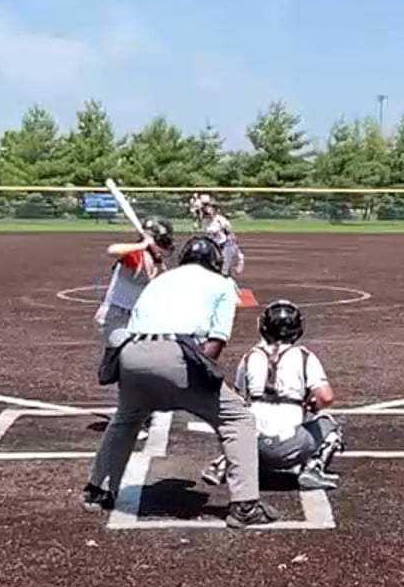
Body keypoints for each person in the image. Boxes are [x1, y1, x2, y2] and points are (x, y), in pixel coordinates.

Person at [82, 236, 275, 529]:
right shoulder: (222, 284)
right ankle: (246, 505)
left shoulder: (160, 280)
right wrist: (204, 385)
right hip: (176, 355)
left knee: (126, 419)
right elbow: (213, 346)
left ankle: (98, 491)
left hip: (130, 354)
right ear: (215, 262)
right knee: (237, 419)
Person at [201, 300, 345, 493]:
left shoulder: (250, 356)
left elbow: (237, 399)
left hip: (253, 446)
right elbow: (326, 397)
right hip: (290, 447)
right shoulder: (304, 356)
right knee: (329, 424)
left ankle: (225, 462)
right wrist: (312, 406)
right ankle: (313, 469)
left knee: (234, 422)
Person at [94, 217, 174, 347]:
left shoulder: (156, 262)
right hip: (116, 318)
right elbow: (112, 250)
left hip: (138, 318)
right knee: (126, 353)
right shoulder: (136, 254)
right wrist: (143, 245)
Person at [191, 193, 243, 277]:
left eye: (210, 208)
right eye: (205, 208)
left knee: (223, 272)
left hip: (221, 248)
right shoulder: (201, 221)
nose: (207, 210)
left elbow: (231, 238)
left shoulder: (221, 220)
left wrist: (240, 259)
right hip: (207, 249)